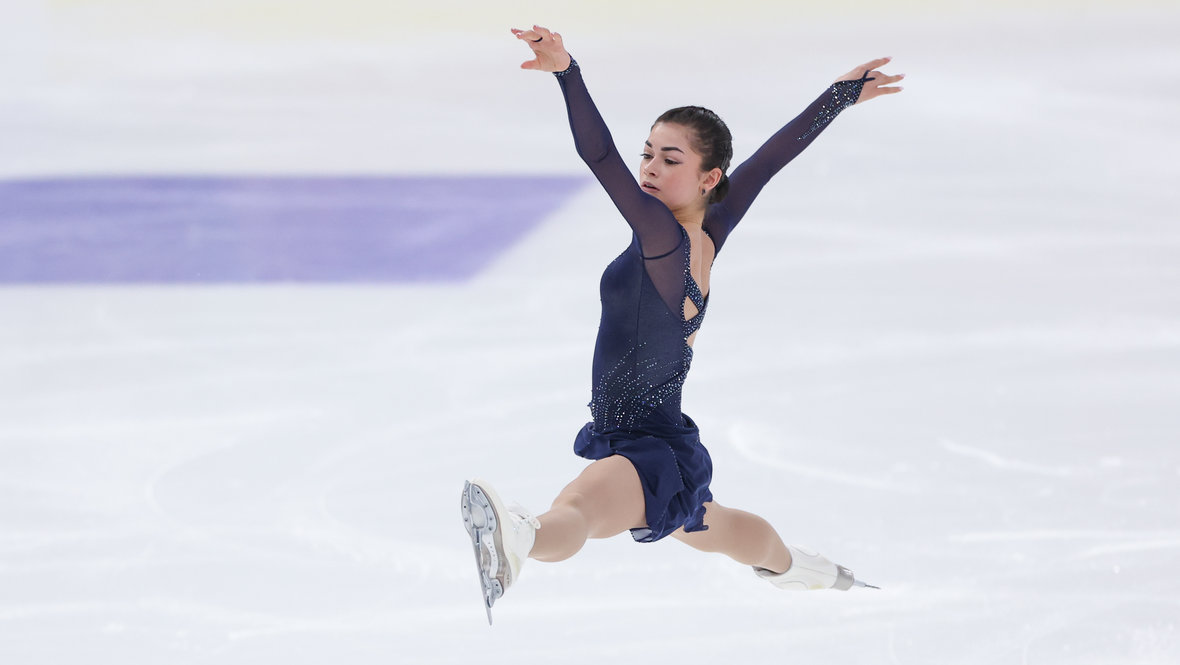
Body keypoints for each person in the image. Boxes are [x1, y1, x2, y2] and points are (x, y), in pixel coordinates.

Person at [461, 25, 903, 623]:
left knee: (577, 510)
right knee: (715, 527)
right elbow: (768, 161)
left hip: (644, 443)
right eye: (647, 153)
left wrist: (568, 73)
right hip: (661, 435)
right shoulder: (707, 232)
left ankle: (520, 540)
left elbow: (599, 157)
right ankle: (801, 569)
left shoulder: (662, 239)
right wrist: (838, 96)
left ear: (708, 177)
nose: (649, 168)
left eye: (670, 159)